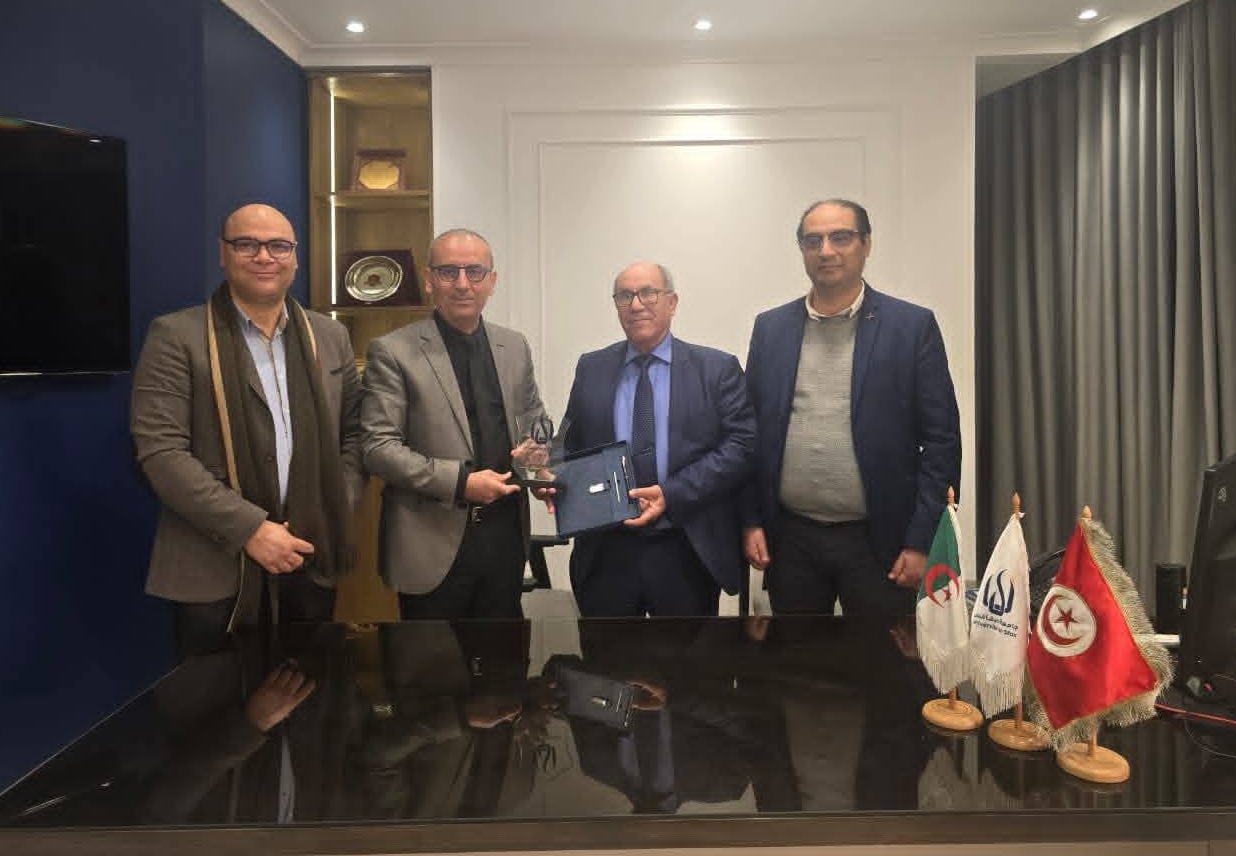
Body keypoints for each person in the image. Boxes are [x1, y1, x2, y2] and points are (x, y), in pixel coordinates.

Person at [131, 203, 365, 657]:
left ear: (295, 256)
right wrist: (252, 530)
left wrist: (334, 503)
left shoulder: (329, 336)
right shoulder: (175, 336)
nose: (264, 257)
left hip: (309, 553)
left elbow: (354, 434)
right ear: (224, 253)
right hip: (212, 568)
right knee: (218, 699)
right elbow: (161, 454)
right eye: (247, 244)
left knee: (308, 688)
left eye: (278, 246)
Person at [741, 198, 961, 616]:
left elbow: (941, 442)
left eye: (840, 237)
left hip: (882, 542)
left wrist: (922, 540)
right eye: (813, 241)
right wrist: (750, 520)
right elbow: (750, 434)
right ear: (801, 249)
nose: (826, 251)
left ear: (866, 244)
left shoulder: (911, 327)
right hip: (791, 540)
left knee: (880, 655)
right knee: (797, 654)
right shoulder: (771, 328)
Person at [361, 229, 547, 619]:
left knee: (502, 655)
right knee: (430, 659)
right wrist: (461, 482)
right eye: (449, 272)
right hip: (429, 543)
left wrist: (540, 454)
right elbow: (378, 449)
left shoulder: (514, 346)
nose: (463, 284)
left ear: (492, 281)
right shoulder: (392, 351)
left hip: (505, 539)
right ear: (429, 280)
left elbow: (536, 420)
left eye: (474, 272)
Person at [561, 262, 755, 617]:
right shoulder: (591, 367)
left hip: (685, 547)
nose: (636, 305)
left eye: (648, 293)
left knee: (687, 654)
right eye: (625, 296)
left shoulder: (716, 369)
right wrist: (551, 475)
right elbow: (571, 444)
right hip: (607, 552)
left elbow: (741, 446)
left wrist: (672, 493)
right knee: (606, 652)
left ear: (672, 302)